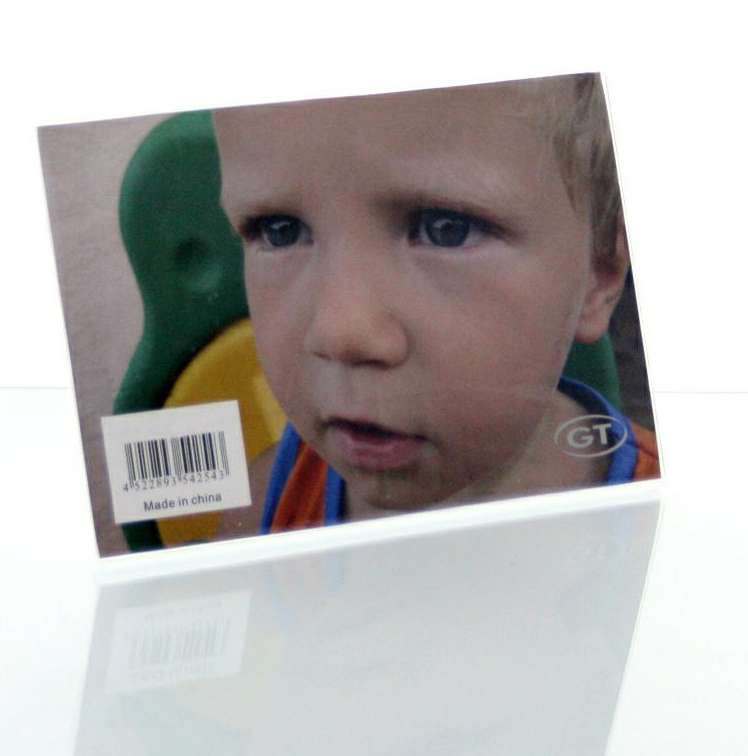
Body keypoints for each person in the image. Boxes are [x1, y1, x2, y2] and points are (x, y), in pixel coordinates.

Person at [213, 74, 659, 535]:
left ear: (598, 272)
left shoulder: (676, 519)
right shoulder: (266, 505)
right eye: (279, 231)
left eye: (447, 229)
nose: (341, 333)